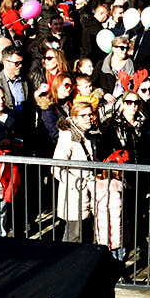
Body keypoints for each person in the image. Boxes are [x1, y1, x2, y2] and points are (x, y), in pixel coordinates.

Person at [53, 101, 100, 242]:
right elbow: (56, 166)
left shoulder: (89, 133)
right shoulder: (68, 136)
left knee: (87, 234)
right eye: (83, 115)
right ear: (74, 118)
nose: (88, 118)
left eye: (90, 114)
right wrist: (77, 183)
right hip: (74, 194)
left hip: (89, 190)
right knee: (74, 235)